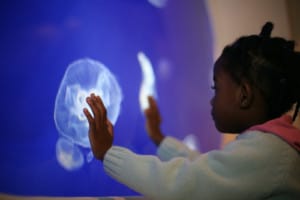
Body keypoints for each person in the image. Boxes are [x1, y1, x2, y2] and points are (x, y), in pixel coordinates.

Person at [83, 22, 300, 199]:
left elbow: (186, 182)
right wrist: (159, 137)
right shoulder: (270, 148)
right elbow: (209, 171)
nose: (211, 101)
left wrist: (108, 153)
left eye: (216, 88)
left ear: (243, 95)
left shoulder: (267, 153)